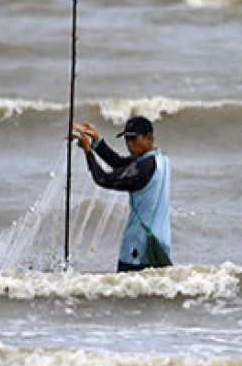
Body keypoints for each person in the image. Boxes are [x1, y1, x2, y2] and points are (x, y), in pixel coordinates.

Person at [68, 116, 172, 272]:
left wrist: (88, 153)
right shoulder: (161, 160)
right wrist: (97, 141)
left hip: (138, 247)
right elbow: (119, 162)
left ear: (148, 137)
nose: (129, 144)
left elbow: (103, 179)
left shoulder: (143, 167)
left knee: (127, 293)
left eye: (133, 138)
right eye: (126, 139)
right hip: (160, 246)